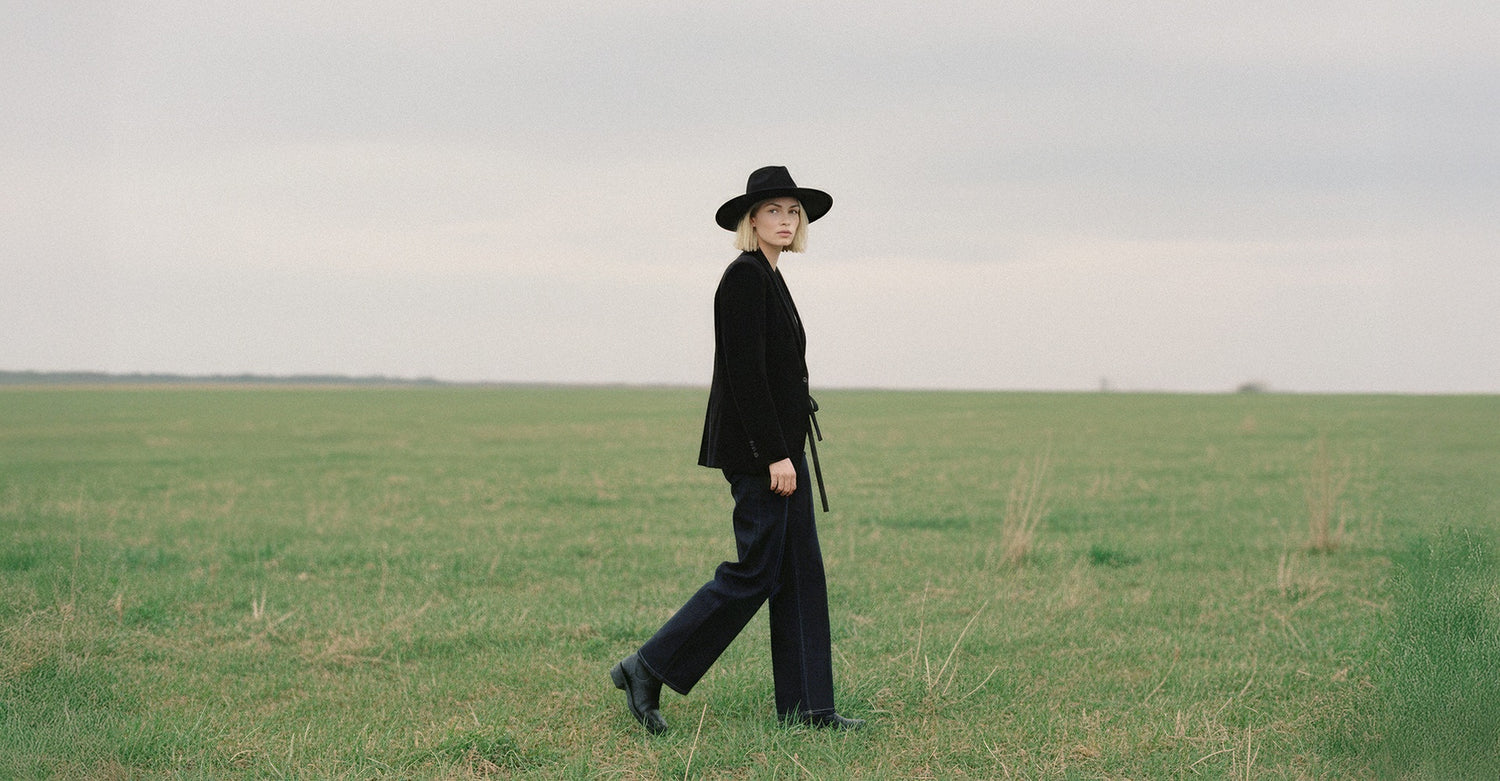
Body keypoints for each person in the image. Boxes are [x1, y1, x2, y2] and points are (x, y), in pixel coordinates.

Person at [610, 166, 863, 734]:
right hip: (761, 455)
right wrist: (775, 454)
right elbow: (744, 376)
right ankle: (646, 666)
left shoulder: (772, 276)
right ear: (751, 221)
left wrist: (788, 448)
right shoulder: (744, 277)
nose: (785, 219)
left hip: (781, 451)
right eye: (773, 210)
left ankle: (810, 710)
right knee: (755, 572)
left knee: (800, 574)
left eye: (792, 211)